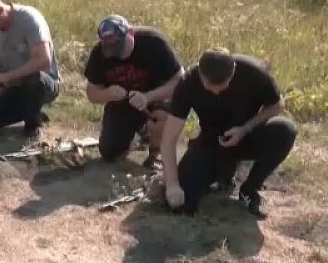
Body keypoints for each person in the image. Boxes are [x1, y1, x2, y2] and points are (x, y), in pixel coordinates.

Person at [160, 49, 296, 219]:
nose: (216, 92)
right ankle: (222, 174)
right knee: (182, 201)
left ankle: (250, 188)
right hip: (210, 143)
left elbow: (277, 105)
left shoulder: (252, 71)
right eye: (210, 86)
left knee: (285, 129)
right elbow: (169, 139)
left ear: (233, 72)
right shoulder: (187, 83)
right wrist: (172, 185)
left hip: (247, 136)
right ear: (201, 74)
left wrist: (246, 128)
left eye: (222, 85)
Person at [84, 15, 184, 168]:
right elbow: (92, 92)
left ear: (130, 32)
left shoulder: (154, 42)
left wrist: (148, 97)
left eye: (121, 46)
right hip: (123, 104)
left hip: (157, 97)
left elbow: (179, 81)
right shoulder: (99, 53)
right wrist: (108, 93)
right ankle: (140, 134)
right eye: (112, 49)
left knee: (160, 116)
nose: (119, 54)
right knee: (109, 152)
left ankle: (156, 153)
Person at [0, 0, 59, 139]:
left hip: (42, 81)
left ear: (1, 10)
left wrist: (6, 76)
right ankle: (29, 111)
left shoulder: (29, 20)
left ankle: (33, 124)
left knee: (33, 79)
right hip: (11, 83)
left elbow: (43, 61)